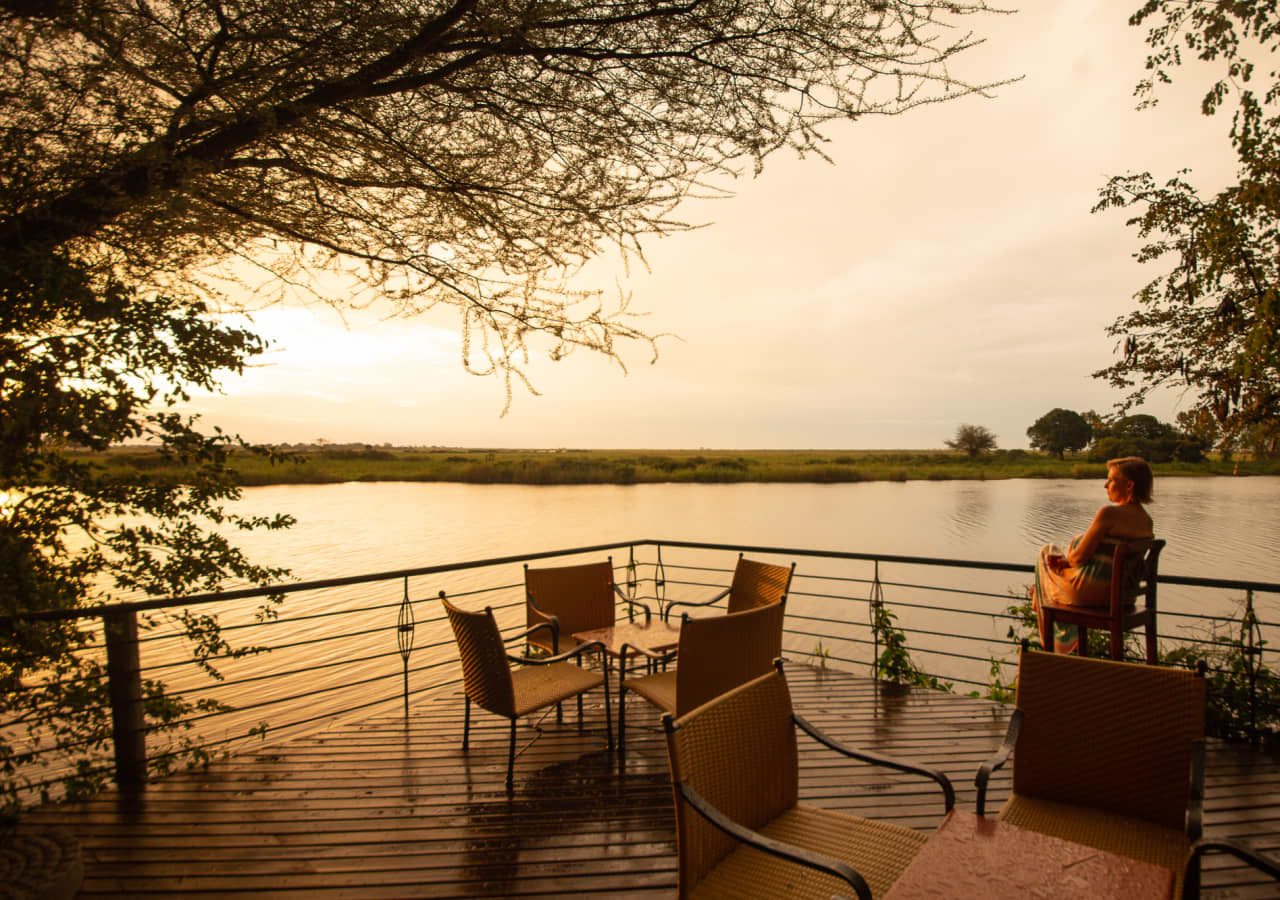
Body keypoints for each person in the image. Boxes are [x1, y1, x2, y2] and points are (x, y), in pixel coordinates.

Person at [1032, 457, 1155, 654]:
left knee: (1046, 552)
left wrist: (1069, 556)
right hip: (1123, 596)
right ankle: (1041, 598)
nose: (1105, 485)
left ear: (1129, 485)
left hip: (1091, 594)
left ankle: (1052, 648)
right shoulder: (1146, 521)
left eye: (1111, 480)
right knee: (1044, 584)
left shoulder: (1109, 514)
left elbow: (1078, 558)